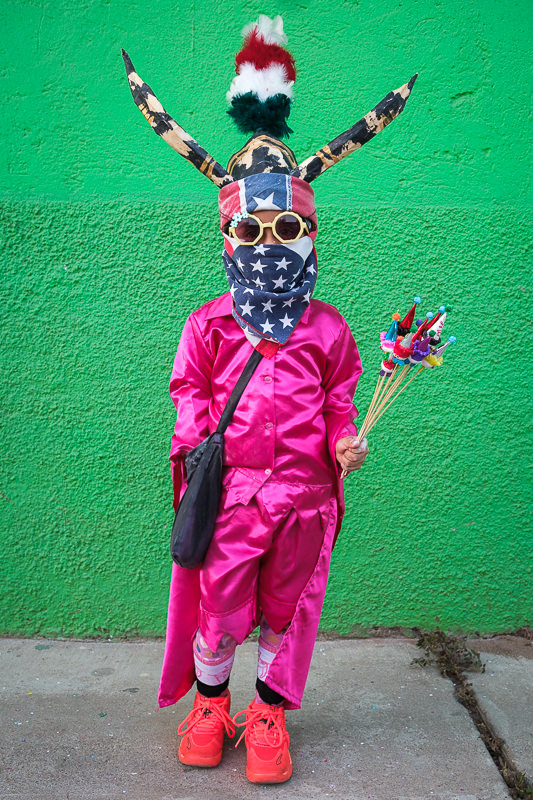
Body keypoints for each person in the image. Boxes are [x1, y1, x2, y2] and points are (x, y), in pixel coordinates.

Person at [122, 12, 415, 786]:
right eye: (252, 230)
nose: (270, 244)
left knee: (286, 611)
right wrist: (196, 443)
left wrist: (342, 443)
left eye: (286, 227)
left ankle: (268, 716)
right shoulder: (208, 324)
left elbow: (339, 401)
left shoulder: (328, 329)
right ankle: (210, 705)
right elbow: (188, 387)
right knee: (218, 610)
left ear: (309, 232)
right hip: (230, 496)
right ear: (228, 235)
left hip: (305, 498)